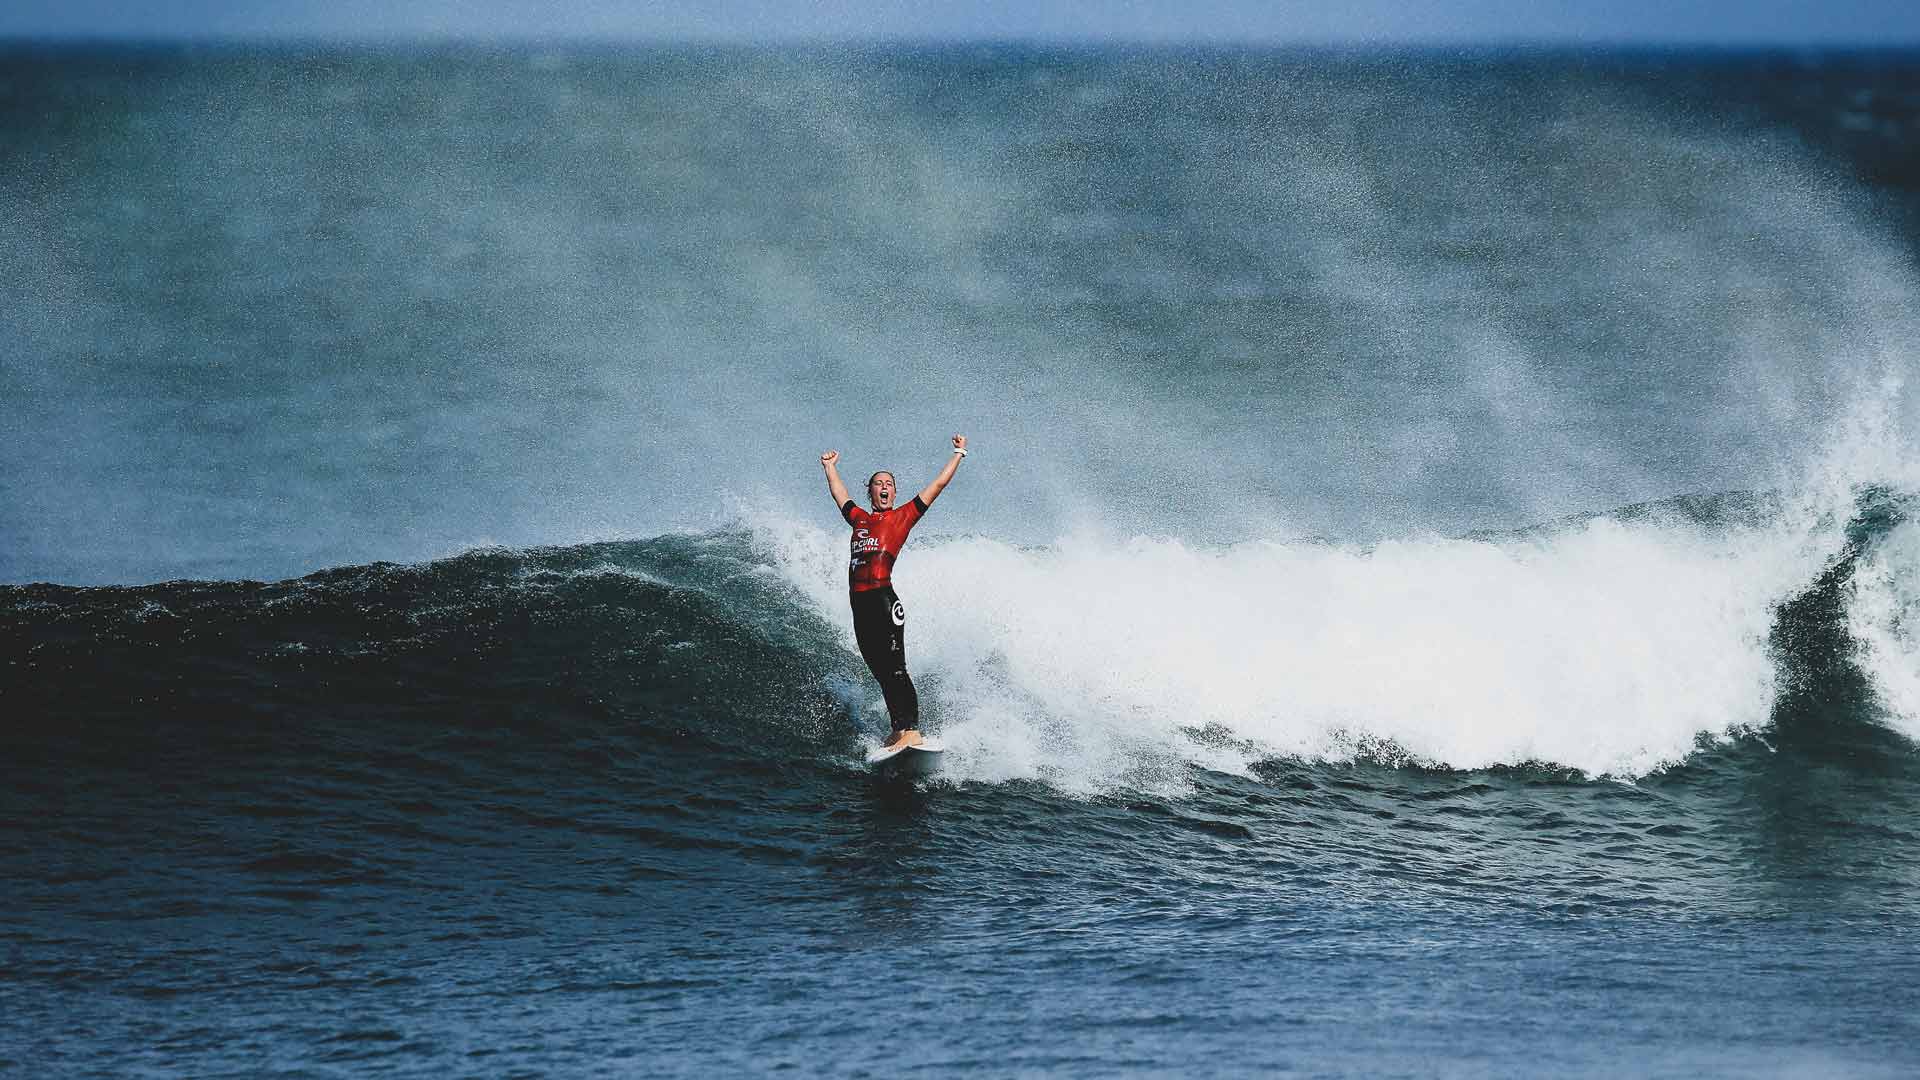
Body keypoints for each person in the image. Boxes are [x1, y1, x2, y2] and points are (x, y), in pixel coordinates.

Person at [820, 435, 967, 748]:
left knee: (896, 668)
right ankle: (897, 729)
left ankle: (911, 730)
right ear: (871, 491)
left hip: (884, 601)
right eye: (878, 483)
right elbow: (839, 495)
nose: (884, 487)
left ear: (894, 492)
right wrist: (830, 467)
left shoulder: (903, 516)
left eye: (889, 483)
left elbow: (937, 486)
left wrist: (958, 453)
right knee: (879, 671)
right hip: (858, 605)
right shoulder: (858, 518)